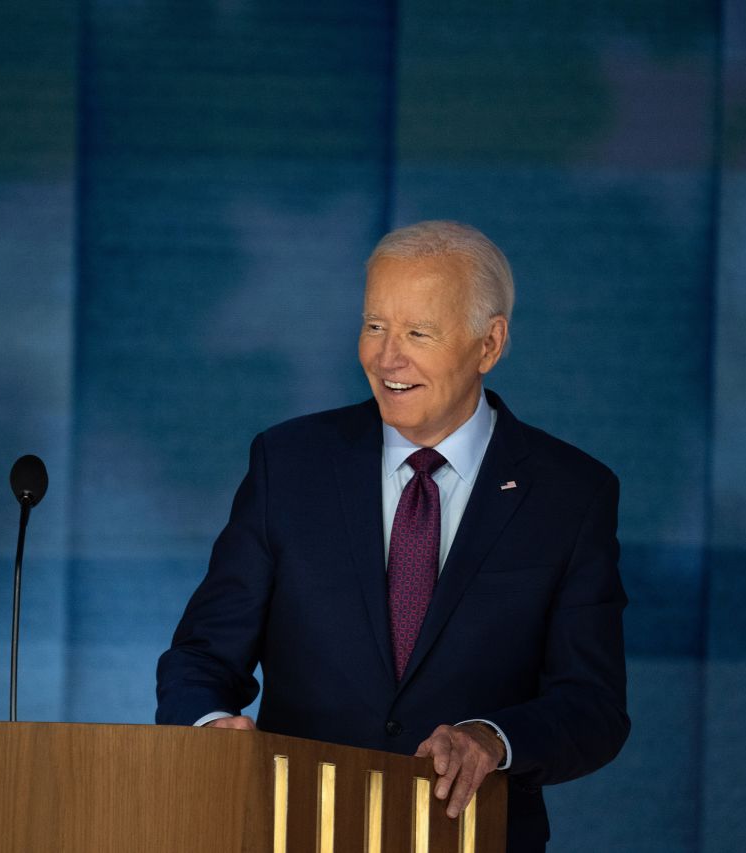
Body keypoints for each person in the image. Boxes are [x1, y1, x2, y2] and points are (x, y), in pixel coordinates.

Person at [156, 220, 629, 852]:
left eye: (417, 332)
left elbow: (592, 705)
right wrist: (209, 728)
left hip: (471, 837)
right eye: (375, 325)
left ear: (488, 345)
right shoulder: (289, 464)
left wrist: (493, 738)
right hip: (296, 831)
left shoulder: (571, 494)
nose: (387, 358)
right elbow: (202, 657)